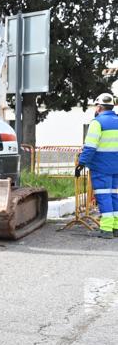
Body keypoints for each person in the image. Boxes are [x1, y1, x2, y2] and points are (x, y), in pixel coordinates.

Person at [76, 91, 118, 238]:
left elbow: (90, 147)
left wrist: (81, 163)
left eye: (96, 107)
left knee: (104, 196)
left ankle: (106, 229)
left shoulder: (97, 122)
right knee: (115, 196)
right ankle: (116, 227)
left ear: (99, 107)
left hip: (101, 167)